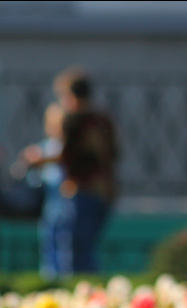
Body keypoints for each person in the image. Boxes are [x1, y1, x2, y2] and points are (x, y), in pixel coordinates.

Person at [51, 67, 119, 274]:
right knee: (88, 247)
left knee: (75, 249)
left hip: (82, 188)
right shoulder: (102, 120)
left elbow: (68, 155)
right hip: (104, 190)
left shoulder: (76, 121)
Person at [13, 102, 70, 279]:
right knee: (49, 240)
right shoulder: (45, 146)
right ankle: (49, 276)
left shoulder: (66, 147)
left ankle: (65, 275)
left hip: (66, 203)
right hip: (49, 203)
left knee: (65, 242)